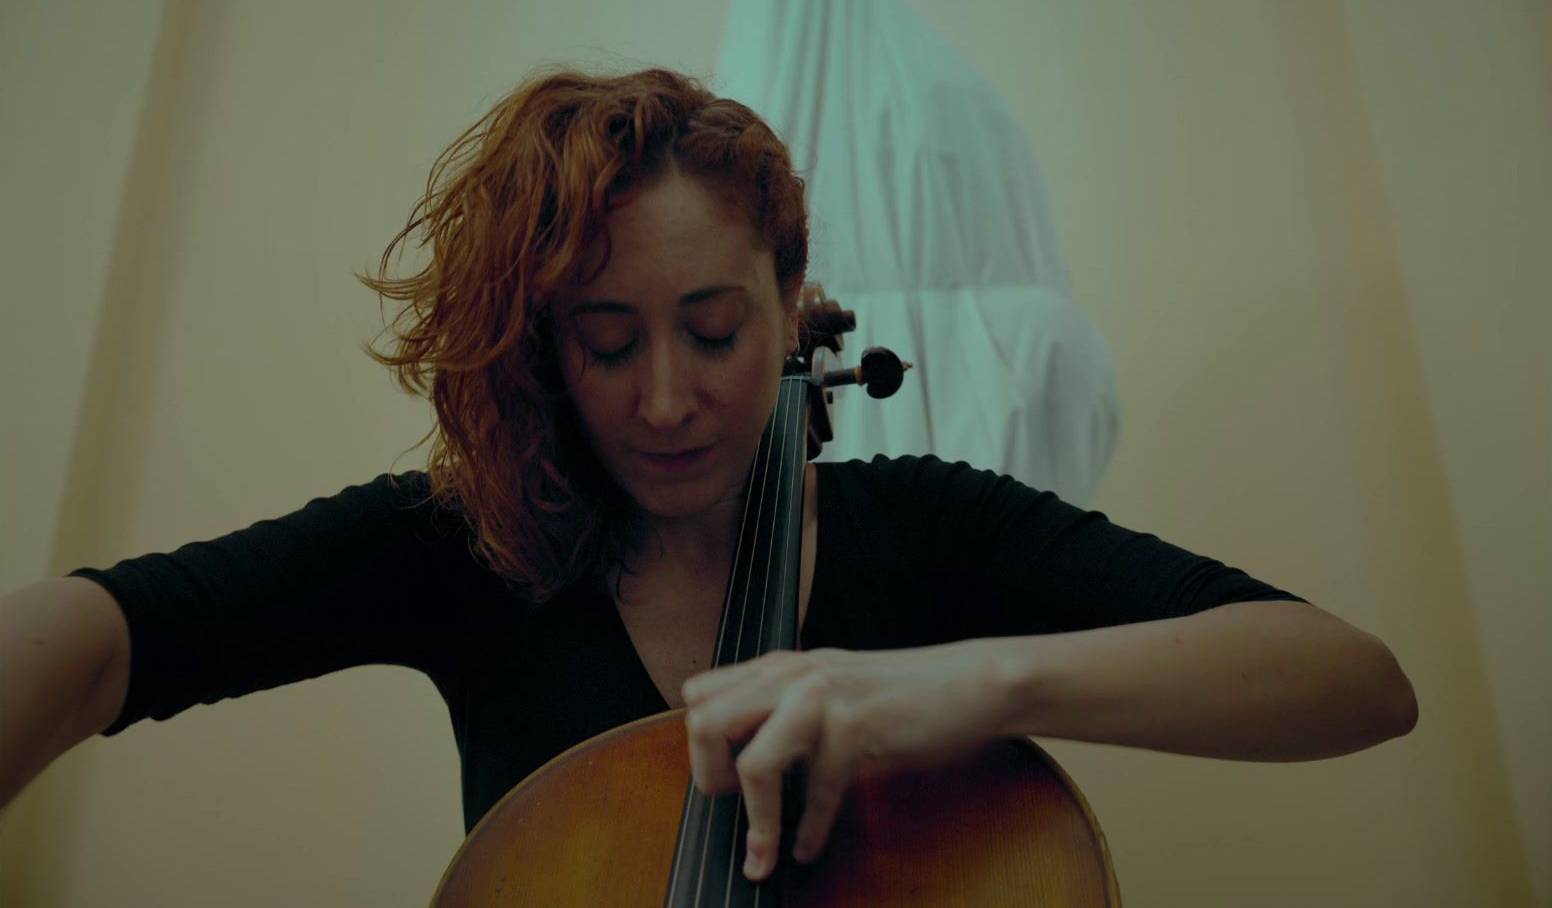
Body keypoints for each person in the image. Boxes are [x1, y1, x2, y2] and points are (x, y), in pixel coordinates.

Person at [0, 65, 1417, 886]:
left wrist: (971, 681)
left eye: (717, 330)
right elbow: (101, 639)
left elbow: (1352, 679)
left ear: (792, 295)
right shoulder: (471, 543)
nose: (667, 399)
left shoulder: (928, 524)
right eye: (606, 343)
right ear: (546, 348)